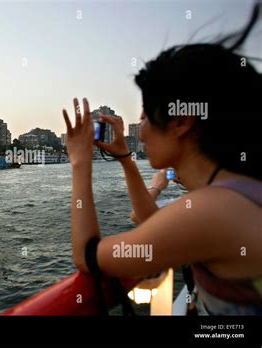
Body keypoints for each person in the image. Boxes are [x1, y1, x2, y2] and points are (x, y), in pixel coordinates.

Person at [62, 6, 261, 315]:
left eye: (144, 117)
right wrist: (126, 160)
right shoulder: (239, 193)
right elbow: (155, 224)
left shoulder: (213, 210)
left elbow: (88, 256)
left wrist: (80, 161)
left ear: (181, 121)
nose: (140, 132)